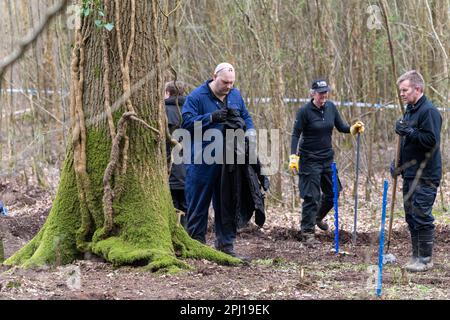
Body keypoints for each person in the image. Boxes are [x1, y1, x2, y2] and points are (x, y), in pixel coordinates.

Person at [181, 63, 255, 258]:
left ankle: (225, 246)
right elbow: (186, 123)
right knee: (198, 202)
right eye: (225, 82)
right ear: (214, 77)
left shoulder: (235, 95)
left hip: (229, 160)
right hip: (201, 159)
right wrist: (211, 117)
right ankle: (196, 245)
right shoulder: (197, 96)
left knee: (227, 202)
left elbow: (246, 116)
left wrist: (250, 132)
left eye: (231, 82)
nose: (228, 86)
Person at [289, 79, 364, 245]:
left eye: (325, 92)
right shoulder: (304, 111)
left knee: (334, 192)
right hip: (309, 160)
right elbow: (295, 134)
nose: (324, 95)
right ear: (313, 93)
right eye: (320, 92)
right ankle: (307, 233)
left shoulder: (331, 107)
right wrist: (293, 156)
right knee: (311, 196)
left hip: (327, 159)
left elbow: (341, 126)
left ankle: (317, 217)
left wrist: (352, 129)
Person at [392, 70, 442, 272]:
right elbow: (407, 144)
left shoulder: (428, 111)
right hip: (410, 173)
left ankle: (425, 258)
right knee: (411, 216)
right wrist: (397, 163)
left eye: (405, 90)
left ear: (418, 89)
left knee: (422, 215)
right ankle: (415, 256)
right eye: (401, 90)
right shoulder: (410, 110)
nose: (402, 94)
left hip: (426, 174)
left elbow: (431, 142)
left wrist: (410, 132)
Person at [164, 80, 187, 226]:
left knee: (171, 206)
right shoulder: (191, 111)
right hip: (189, 170)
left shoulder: (162, 111)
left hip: (170, 168)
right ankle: (186, 236)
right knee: (186, 207)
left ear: (167, 93)